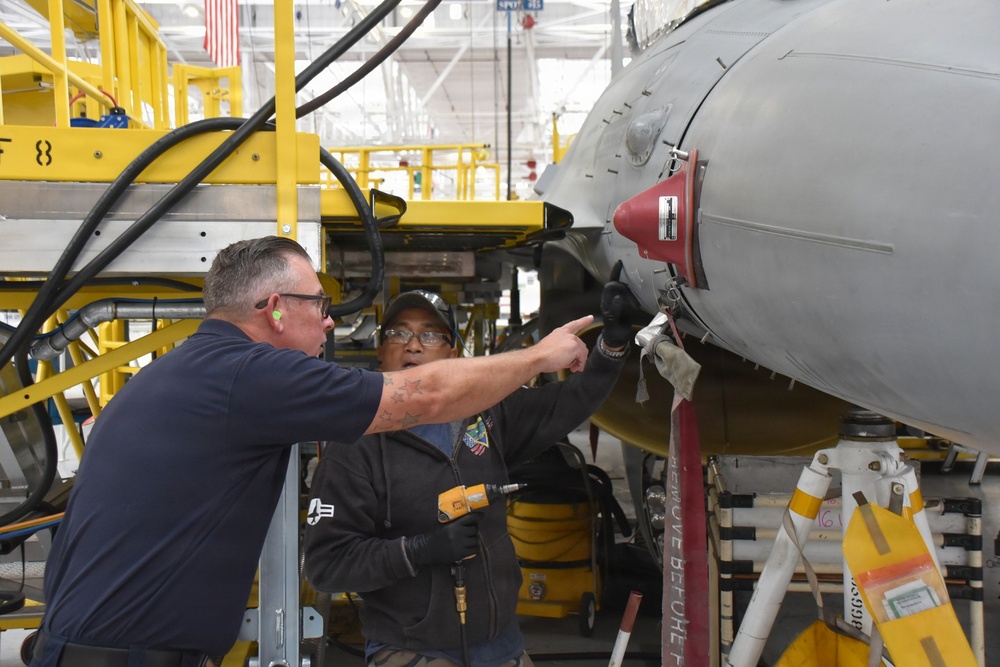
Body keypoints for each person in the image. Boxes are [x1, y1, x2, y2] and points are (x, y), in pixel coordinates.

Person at [31, 236, 593, 667]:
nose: (330, 320)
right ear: (274, 308)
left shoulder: (188, 371)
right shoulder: (250, 375)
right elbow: (426, 396)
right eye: (318, 304)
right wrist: (539, 357)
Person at [302, 280, 636, 667]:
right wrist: (418, 551)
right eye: (398, 333)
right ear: (381, 351)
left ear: (453, 352)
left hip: (502, 646)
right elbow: (327, 566)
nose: (413, 345)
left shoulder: (488, 413)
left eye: (430, 335)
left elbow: (570, 401)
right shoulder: (354, 444)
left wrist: (611, 345)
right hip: (412, 650)